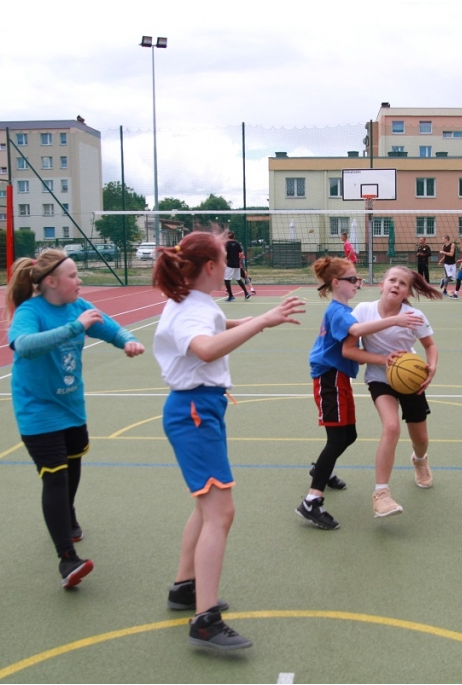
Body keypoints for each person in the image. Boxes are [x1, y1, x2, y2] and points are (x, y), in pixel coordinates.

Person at [153, 233, 304, 651]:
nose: (230, 261)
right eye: (225, 257)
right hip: (194, 411)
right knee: (221, 511)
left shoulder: (195, 302)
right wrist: (262, 322)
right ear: (212, 267)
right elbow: (204, 348)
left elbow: (215, 327)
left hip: (201, 408)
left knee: (206, 505)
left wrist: (261, 317)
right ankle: (205, 621)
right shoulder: (188, 309)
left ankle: (185, 587)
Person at [5, 249, 145, 590]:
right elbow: (23, 346)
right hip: (37, 410)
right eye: (73, 276)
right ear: (51, 282)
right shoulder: (30, 311)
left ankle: (67, 517)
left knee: (73, 466)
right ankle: (67, 559)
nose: (79, 281)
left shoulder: (79, 308)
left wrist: (128, 341)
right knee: (54, 477)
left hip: (70, 406)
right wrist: (73, 329)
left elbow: (109, 327)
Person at [299, 256, 422, 530]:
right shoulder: (340, 312)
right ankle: (312, 500)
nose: (358, 283)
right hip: (329, 378)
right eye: (353, 279)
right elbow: (356, 330)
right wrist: (395, 321)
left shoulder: (342, 308)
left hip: (337, 377)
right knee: (337, 438)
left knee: (347, 435)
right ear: (336, 283)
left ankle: (323, 469)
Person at [349, 265, 442, 517]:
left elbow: (430, 345)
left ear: (407, 292)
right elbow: (352, 352)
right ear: (381, 284)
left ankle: (420, 460)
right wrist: (382, 360)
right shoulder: (362, 310)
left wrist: (431, 367)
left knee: (420, 438)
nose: (396, 285)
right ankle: (381, 494)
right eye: (392, 280)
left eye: (402, 284)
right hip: (380, 377)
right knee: (391, 427)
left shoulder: (414, 315)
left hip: (411, 379)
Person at [222, 231, 250, 302]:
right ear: (233, 236)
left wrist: (225, 261)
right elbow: (241, 254)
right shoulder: (237, 243)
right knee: (238, 279)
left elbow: (225, 254)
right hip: (237, 264)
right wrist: (238, 260)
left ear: (228, 236)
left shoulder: (227, 244)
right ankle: (246, 293)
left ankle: (231, 296)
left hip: (230, 264)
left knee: (226, 280)